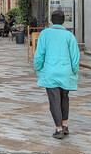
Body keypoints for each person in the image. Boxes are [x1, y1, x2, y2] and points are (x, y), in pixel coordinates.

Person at [34, 10, 79, 139]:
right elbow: (75, 56)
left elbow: (39, 54)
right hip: (66, 71)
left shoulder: (45, 34)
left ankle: (58, 129)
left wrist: (38, 68)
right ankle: (65, 125)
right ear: (63, 21)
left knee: (54, 100)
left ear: (51, 20)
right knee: (64, 98)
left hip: (50, 71)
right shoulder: (69, 35)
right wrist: (74, 71)